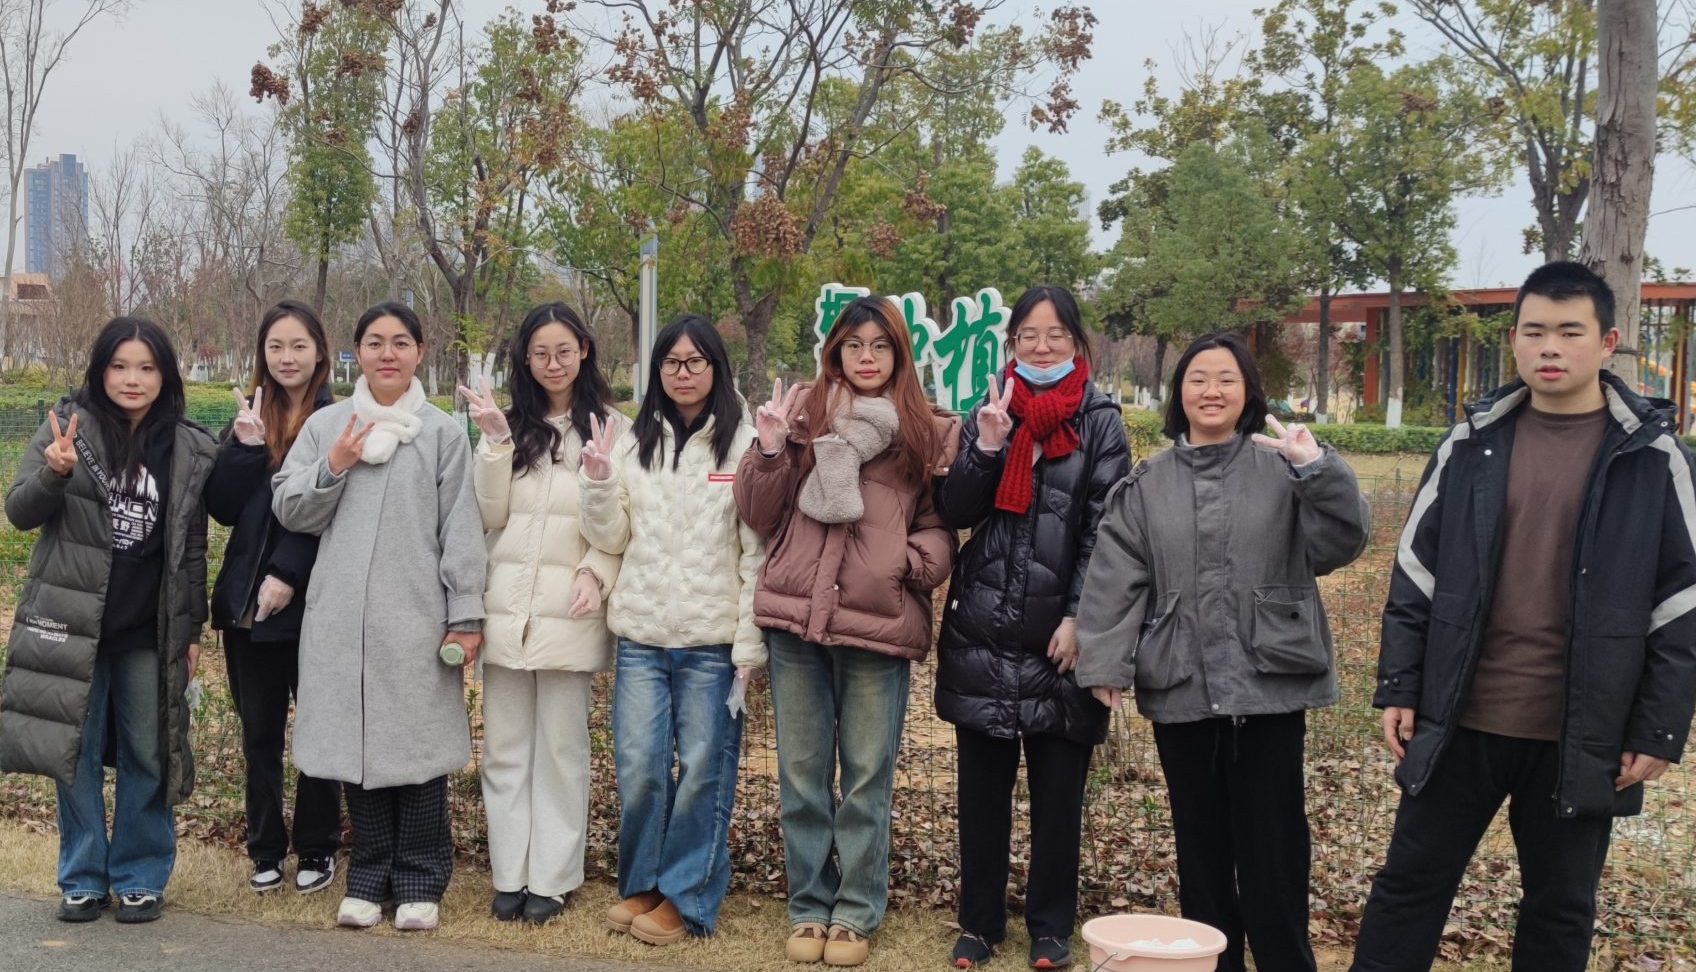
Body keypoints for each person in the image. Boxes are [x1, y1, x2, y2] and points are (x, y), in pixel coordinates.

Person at [1351, 262, 1696, 972]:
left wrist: (1659, 727)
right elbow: (1416, 572)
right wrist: (1401, 684)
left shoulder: (1655, 458)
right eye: (1535, 331)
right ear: (1513, 340)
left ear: (1608, 342)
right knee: (1409, 888)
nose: (1551, 348)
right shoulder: (1468, 444)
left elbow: (1682, 603)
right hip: (1462, 715)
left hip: (1582, 729)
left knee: (1560, 908)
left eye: (1570, 332)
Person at [1075, 331, 1369, 972]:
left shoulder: (1285, 468)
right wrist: (1105, 662)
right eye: (1198, 379)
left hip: (1271, 683)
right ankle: (1211, 963)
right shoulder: (1147, 484)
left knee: (1274, 848)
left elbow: (1342, 543)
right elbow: (1115, 579)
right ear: (1179, 393)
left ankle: (1287, 961)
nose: (1211, 391)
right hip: (1181, 682)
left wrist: (1317, 471)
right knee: (1201, 846)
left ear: (1248, 392)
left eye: (1226, 379)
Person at [734, 295, 959, 968]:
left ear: (899, 354)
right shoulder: (804, 415)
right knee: (802, 775)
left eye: (880, 346)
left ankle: (856, 909)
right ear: (834, 350)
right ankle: (809, 904)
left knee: (866, 777)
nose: (866, 357)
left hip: (877, 622)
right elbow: (758, 513)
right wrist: (770, 449)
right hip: (798, 618)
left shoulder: (923, 430)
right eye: (854, 344)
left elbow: (941, 525)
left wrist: (906, 564)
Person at [271, 301, 486, 933]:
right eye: (373, 342)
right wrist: (335, 464)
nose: (387, 354)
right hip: (342, 621)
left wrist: (465, 613)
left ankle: (420, 879)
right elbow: (290, 509)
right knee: (357, 750)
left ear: (420, 352)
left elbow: (461, 530)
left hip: (417, 619)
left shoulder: (442, 434)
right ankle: (367, 875)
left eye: (400, 342)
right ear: (356, 352)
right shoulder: (327, 426)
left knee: (417, 754)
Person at [934, 285, 1130, 971]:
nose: (1041, 347)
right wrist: (987, 447)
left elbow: (1107, 530)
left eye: (1055, 335)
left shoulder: (1101, 422)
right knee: (982, 797)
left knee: (1057, 799)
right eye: (1028, 336)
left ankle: (1050, 927)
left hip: (1061, 640)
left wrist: (1081, 617)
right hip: (984, 628)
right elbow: (956, 510)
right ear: (1011, 343)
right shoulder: (988, 411)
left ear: (1077, 343)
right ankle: (979, 924)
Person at [0, 317, 217, 924]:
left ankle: (141, 876)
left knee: (150, 753)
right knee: (76, 752)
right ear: (100, 371)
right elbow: (19, 511)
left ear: (165, 376)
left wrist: (191, 631)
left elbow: (191, 550)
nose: (132, 379)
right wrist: (55, 472)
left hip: (148, 632)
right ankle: (82, 877)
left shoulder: (187, 446)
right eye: (119, 366)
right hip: (71, 625)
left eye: (146, 367)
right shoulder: (67, 425)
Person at [577, 314, 765, 946]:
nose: (682, 373)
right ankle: (644, 883)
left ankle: (687, 895)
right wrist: (598, 482)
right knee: (640, 767)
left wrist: (748, 644)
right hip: (642, 638)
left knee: (705, 770)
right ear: (656, 370)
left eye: (695, 361)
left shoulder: (744, 445)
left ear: (716, 367)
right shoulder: (634, 442)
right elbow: (611, 537)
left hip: (712, 643)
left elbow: (757, 553)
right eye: (671, 362)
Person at [460, 303, 626, 925]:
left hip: (569, 611)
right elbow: (489, 515)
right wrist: (494, 442)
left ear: (584, 350)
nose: (553, 364)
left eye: (563, 351)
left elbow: (621, 525)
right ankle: (511, 872)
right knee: (504, 749)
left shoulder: (614, 429)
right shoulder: (509, 427)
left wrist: (596, 573)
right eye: (540, 353)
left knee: (560, 750)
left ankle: (552, 878)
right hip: (506, 610)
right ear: (525, 359)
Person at [205, 300, 342, 896]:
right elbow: (222, 509)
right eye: (276, 347)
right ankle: (264, 848)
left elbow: (334, 510)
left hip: (316, 603)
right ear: (263, 353)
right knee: (258, 734)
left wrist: (288, 570)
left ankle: (317, 845)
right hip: (249, 609)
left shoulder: (338, 420)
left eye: (298, 346)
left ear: (320, 352)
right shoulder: (249, 415)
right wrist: (242, 448)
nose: (287, 358)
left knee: (318, 730)